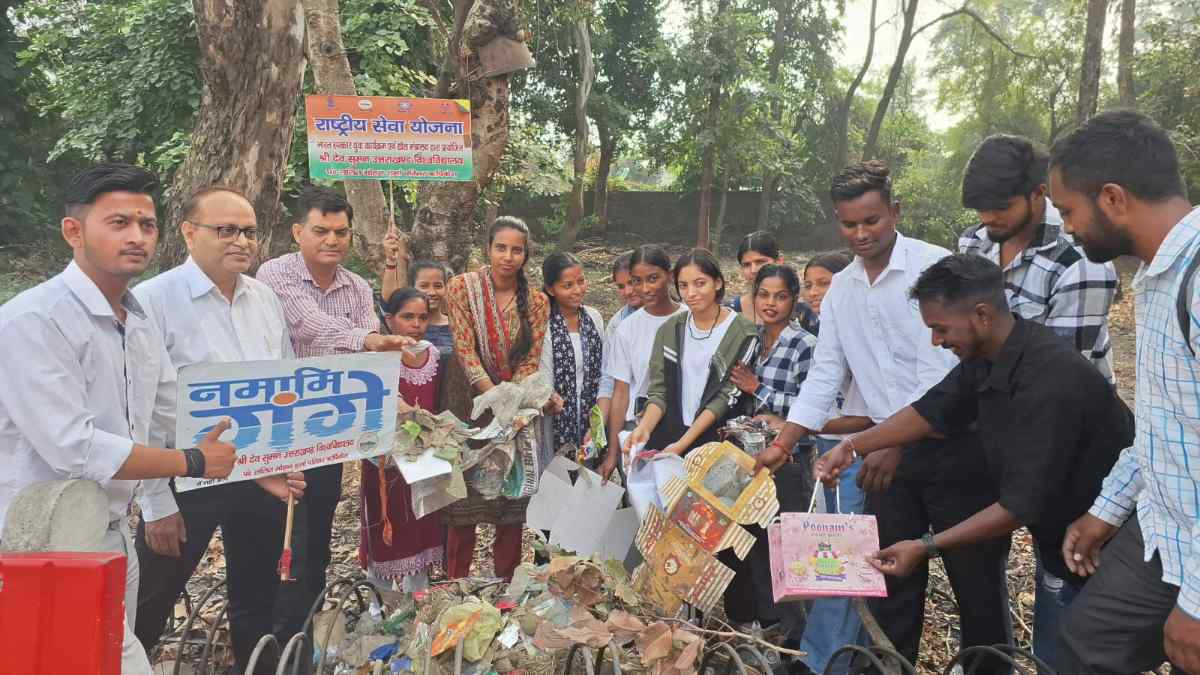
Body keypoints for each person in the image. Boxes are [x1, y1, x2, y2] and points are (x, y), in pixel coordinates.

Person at [815, 253, 1134, 674]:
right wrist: (853, 446)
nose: (936, 342)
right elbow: (933, 409)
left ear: (981, 314)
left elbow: (1019, 506)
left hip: (1106, 541)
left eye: (940, 329)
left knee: (1081, 656)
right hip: (1064, 540)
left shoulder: (1050, 382)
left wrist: (927, 547)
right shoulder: (990, 356)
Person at [755, 161, 1012, 673]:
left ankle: (990, 666)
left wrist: (890, 441)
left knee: (976, 585)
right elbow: (826, 373)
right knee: (890, 583)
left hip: (957, 450)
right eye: (849, 224)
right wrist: (784, 444)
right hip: (885, 461)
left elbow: (945, 373)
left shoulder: (936, 269)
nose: (862, 234)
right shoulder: (842, 292)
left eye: (872, 220)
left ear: (894, 212)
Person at [0, 164, 237, 675]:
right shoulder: (34, 321)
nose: (136, 236)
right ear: (73, 231)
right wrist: (192, 461)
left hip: (108, 533)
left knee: (100, 658)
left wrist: (264, 467)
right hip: (34, 542)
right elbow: (76, 449)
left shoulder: (139, 321)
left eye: (147, 225)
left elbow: (174, 409)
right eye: (119, 223)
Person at [1045, 110, 1200, 674]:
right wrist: (1108, 509)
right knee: (1087, 645)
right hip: (1164, 526)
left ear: (1111, 198)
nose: (1065, 227)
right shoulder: (1157, 276)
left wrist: (1197, 603)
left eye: (1067, 211)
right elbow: (1169, 423)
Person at [131, 186, 307, 673]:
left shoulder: (264, 299)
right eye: (226, 230)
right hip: (182, 475)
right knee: (149, 601)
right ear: (189, 233)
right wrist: (156, 503)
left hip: (257, 472)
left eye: (249, 231)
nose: (241, 241)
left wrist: (285, 458)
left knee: (256, 597)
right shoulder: (152, 300)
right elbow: (140, 411)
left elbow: (285, 383)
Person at [257, 185, 415, 618]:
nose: (332, 240)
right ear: (297, 231)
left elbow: (370, 358)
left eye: (341, 232)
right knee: (279, 533)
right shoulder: (276, 274)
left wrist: (396, 404)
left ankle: (306, 628)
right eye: (321, 230)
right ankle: (270, 630)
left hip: (328, 432)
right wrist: (369, 338)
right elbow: (308, 326)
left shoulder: (357, 286)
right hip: (276, 428)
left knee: (317, 534)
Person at [960, 133, 1118, 382]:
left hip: (1063, 406)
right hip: (990, 393)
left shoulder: (1080, 263)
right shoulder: (974, 242)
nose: (987, 218)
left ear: (1037, 193)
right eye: (980, 208)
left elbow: (1060, 375)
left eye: (1001, 207)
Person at [443, 216, 549, 580]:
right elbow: (464, 347)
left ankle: (505, 586)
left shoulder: (536, 302)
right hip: (467, 405)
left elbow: (531, 359)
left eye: (516, 249)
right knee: (463, 506)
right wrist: (493, 396)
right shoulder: (460, 288)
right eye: (500, 248)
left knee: (511, 503)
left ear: (526, 254)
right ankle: (455, 586)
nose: (508, 256)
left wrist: (511, 402)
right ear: (487, 249)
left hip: (514, 410)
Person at [724, 263, 820, 629]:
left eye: (780, 296)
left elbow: (810, 407)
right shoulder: (751, 340)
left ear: (794, 301)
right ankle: (757, 624)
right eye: (763, 294)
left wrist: (757, 388)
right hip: (750, 458)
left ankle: (791, 636)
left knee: (781, 548)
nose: (770, 303)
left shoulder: (804, 345)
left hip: (789, 461)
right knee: (748, 544)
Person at [792, 250, 876, 674]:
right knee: (835, 554)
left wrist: (806, 423)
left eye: (824, 283)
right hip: (829, 451)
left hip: (857, 453)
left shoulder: (862, 332)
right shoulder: (822, 329)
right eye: (809, 284)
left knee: (838, 560)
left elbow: (874, 413)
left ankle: (824, 660)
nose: (815, 292)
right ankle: (841, 654)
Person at [624, 248, 759, 457]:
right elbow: (659, 391)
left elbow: (725, 398)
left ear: (718, 283)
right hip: (669, 433)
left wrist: (684, 443)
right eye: (683, 286)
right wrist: (644, 429)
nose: (691, 293)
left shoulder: (743, 333)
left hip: (715, 441)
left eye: (700, 283)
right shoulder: (670, 329)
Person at [359, 288, 446, 591]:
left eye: (422, 317)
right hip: (385, 458)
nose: (416, 324)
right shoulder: (378, 357)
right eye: (407, 317)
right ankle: (378, 600)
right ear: (389, 319)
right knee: (387, 521)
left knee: (420, 519)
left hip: (422, 454)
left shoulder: (433, 355)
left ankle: (416, 596)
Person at [599, 245, 685, 481]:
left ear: (670, 275)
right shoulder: (626, 329)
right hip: (638, 431)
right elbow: (620, 393)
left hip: (683, 429)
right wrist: (613, 453)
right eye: (637, 281)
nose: (645, 288)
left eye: (653, 278)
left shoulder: (690, 319)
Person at [539, 252, 605, 455]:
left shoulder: (594, 319)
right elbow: (544, 374)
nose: (578, 290)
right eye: (568, 285)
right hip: (555, 418)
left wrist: (597, 423)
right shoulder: (545, 324)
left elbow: (603, 371)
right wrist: (550, 399)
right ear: (551, 289)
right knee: (558, 477)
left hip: (590, 417)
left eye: (581, 281)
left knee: (589, 476)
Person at [596, 252, 642, 449]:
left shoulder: (678, 315)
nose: (628, 291)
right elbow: (608, 380)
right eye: (621, 286)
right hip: (627, 419)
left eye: (632, 283)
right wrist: (598, 430)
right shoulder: (618, 324)